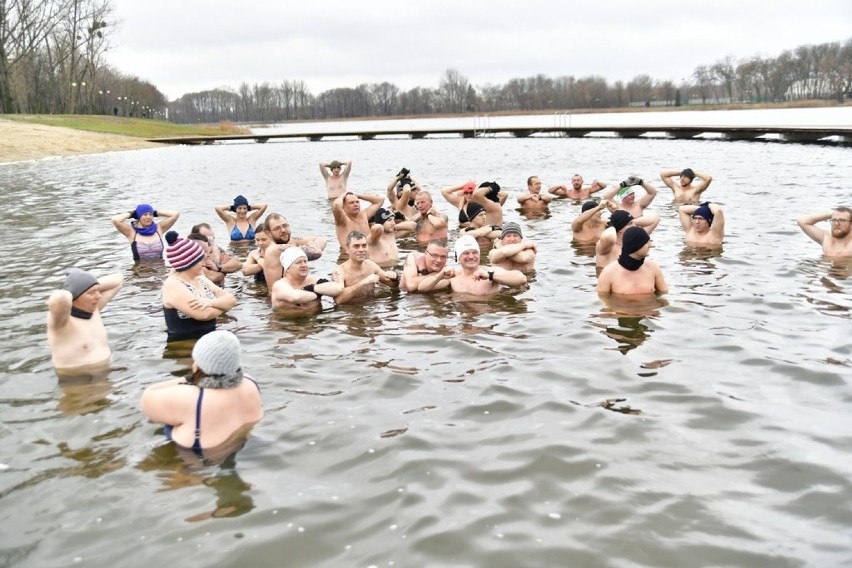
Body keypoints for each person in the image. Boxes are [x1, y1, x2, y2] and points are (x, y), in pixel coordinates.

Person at [140, 330, 263, 460]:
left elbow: (147, 397)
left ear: (200, 365)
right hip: (246, 448)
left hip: (196, 461)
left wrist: (190, 378)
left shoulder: (192, 398)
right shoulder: (250, 382)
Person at [47, 268, 124, 376]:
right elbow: (60, 299)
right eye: (91, 293)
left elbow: (118, 279)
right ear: (74, 296)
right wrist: (77, 286)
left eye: (98, 291)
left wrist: (90, 285)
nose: (98, 296)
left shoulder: (94, 309)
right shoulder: (60, 322)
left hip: (106, 375)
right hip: (78, 381)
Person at [162, 232, 237, 342]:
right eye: (200, 260)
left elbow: (232, 299)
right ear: (188, 264)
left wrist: (211, 303)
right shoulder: (173, 284)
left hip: (209, 338)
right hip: (184, 345)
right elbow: (204, 314)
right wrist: (224, 305)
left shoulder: (200, 278)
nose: (203, 264)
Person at [418, 235, 527, 295]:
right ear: (458, 257)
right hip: (464, 317)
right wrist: (439, 276)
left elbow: (521, 278)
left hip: (486, 317)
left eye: (474, 252)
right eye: (466, 253)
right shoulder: (454, 277)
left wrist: (490, 275)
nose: (471, 256)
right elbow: (422, 288)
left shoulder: (489, 272)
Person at [262, 213, 329, 289]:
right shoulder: (274, 249)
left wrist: (311, 246)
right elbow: (316, 253)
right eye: (277, 228)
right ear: (268, 233)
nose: (283, 230)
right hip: (281, 296)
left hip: (295, 290)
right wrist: (310, 246)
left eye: (285, 226)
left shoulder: (292, 241)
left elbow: (322, 240)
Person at [597, 226, 668, 295]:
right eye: (646, 242)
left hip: (650, 306)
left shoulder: (653, 268)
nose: (651, 245)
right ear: (636, 245)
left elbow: (664, 295)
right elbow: (603, 301)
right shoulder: (609, 273)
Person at [333, 231, 399, 304]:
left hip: (371, 308)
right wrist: (364, 282)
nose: (361, 250)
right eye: (356, 246)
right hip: (350, 311)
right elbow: (338, 300)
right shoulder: (339, 271)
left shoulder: (371, 266)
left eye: (364, 245)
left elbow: (393, 285)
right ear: (347, 249)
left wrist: (394, 277)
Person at [271, 247, 342, 310]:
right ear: (288, 268)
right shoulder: (280, 285)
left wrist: (312, 288)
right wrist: (318, 293)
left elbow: (337, 289)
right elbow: (295, 297)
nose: (303, 265)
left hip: (313, 322)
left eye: (305, 261)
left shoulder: (314, 281)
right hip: (286, 323)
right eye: (298, 262)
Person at [112, 204, 180, 261]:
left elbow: (175, 214)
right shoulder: (131, 232)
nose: (148, 217)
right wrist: (132, 214)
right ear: (139, 216)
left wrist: (155, 212)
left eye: (150, 214)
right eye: (145, 214)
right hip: (140, 273)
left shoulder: (159, 228)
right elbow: (115, 220)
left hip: (160, 272)